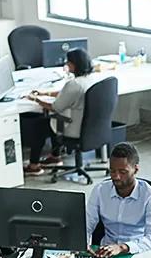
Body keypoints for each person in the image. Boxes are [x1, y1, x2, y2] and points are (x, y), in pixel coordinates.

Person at [21, 47, 99, 176]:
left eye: (68, 62)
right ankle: (54, 157)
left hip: (74, 129)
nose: (66, 64)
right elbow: (67, 94)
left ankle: (33, 165)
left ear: (73, 65)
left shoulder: (74, 84)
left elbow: (55, 107)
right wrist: (46, 93)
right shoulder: (91, 79)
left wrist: (36, 99)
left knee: (40, 125)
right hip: (89, 127)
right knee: (56, 119)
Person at [84, 142, 151, 257]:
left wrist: (122, 247)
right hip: (104, 253)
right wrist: (83, 242)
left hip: (137, 252)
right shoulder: (100, 190)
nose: (116, 177)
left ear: (135, 170)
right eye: (112, 171)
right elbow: (87, 224)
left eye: (122, 172)